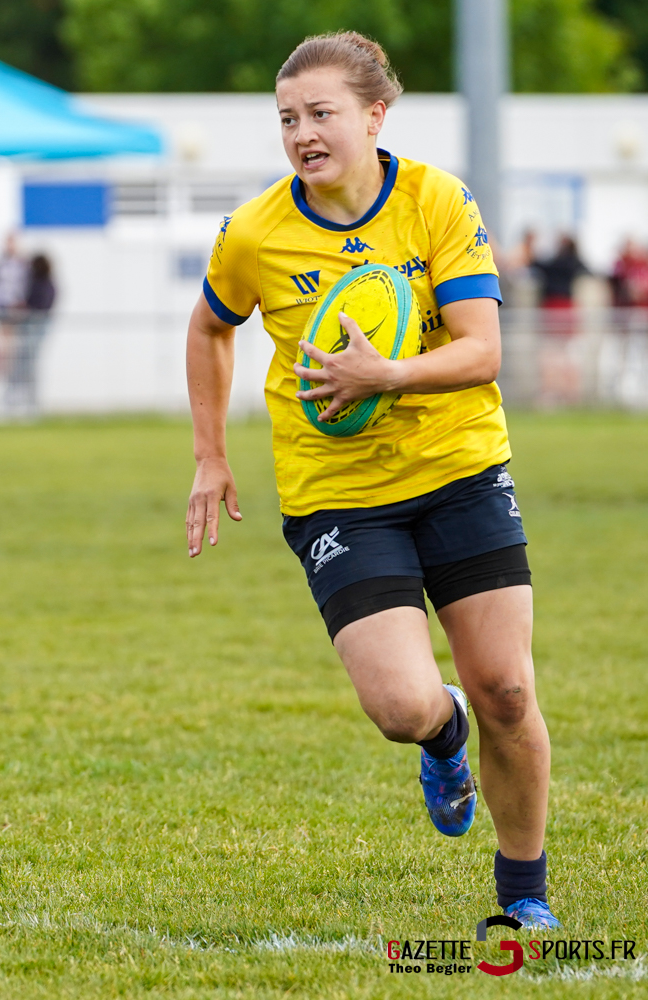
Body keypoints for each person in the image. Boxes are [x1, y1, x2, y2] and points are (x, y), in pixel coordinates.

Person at [186, 32, 558, 929]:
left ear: (375, 115)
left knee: (508, 686)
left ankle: (524, 901)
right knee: (399, 706)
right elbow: (209, 329)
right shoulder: (255, 231)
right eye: (288, 120)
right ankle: (442, 733)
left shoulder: (437, 201)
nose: (302, 134)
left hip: (461, 470)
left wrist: (383, 375)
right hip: (338, 493)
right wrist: (210, 454)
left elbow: (482, 350)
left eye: (321, 114)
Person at [4, 253, 56, 419]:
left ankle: (29, 404)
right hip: (30, 331)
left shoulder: (44, 285)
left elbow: (36, 306)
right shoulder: (38, 283)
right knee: (21, 367)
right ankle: (16, 403)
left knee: (28, 367)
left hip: (34, 331)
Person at [0, 234, 28, 378]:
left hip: (14, 308)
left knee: (12, 346)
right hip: (1, 306)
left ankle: (12, 375)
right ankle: (1, 374)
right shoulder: (0, 263)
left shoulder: (22, 264)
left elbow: (23, 287)